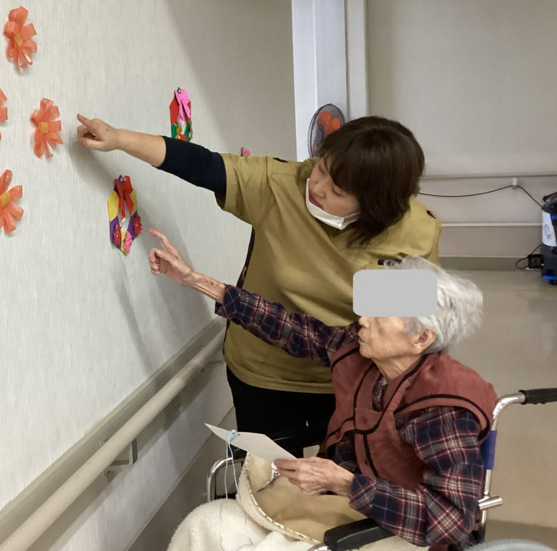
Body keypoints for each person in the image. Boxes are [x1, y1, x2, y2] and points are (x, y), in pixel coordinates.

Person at [77, 113, 442, 456]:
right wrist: (119, 139)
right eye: (322, 168)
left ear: (374, 206)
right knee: (263, 482)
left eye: (337, 189)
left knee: (339, 488)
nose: (317, 185)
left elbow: (397, 333)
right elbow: (204, 166)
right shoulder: (283, 186)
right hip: (264, 369)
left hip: (351, 374)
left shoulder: (414, 234)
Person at [147, 229, 496, 551]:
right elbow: (293, 329)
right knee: (203, 525)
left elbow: (452, 519)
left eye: (381, 313)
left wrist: (348, 484)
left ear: (421, 338)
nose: (363, 319)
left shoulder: (442, 406)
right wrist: (199, 282)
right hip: (339, 505)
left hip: (396, 533)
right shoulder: (359, 351)